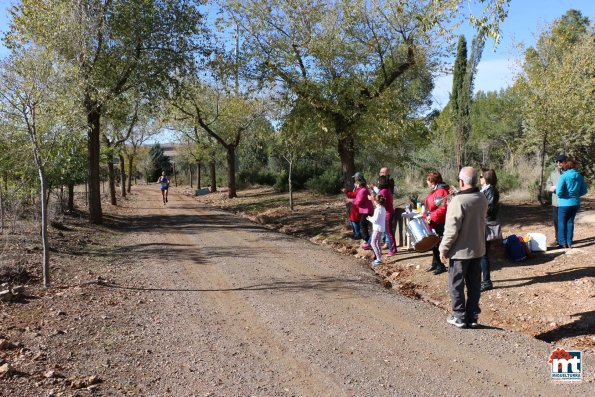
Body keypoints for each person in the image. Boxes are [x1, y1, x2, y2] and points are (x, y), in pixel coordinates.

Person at [439, 167, 488, 328]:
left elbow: (451, 230)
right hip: (478, 249)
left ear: (461, 182)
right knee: (474, 285)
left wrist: (443, 248)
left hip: (460, 252)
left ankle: (459, 316)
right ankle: (472, 316)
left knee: (456, 285)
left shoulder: (458, 201)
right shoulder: (481, 198)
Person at [556, 159, 588, 249]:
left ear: (567, 166)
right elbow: (584, 191)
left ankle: (563, 243)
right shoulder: (580, 176)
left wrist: (564, 195)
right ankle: (569, 242)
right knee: (570, 222)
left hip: (564, 203)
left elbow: (559, 192)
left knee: (562, 222)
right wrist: (576, 195)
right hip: (575, 203)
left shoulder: (564, 176)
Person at [423, 171, 449, 275]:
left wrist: (432, 216)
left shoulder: (441, 191)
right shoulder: (436, 190)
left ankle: (440, 266)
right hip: (434, 221)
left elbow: (443, 208)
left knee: (437, 244)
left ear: (432, 181)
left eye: (428, 180)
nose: (426, 182)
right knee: (434, 244)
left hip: (439, 222)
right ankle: (435, 263)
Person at [479, 169, 500, 292]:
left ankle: (486, 281)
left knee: (483, 253)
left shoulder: (491, 190)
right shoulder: (485, 190)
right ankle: (483, 279)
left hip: (486, 223)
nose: (480, 178)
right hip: (482, 222)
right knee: (481, 253)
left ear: (486, 178)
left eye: (481, 176)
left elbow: (490, 208)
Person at [546, 154, 567, 247]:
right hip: (555, 202)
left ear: (565, 162)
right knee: (556, 221)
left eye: (561, 161)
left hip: (565, 202)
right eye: (557, 161)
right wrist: (550, 187)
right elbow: (548, 184)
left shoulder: (568, 173)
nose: (559, 163)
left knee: (564, 222)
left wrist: (558, 188)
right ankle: (558, 240)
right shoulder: (553, 173)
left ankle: (565, 240)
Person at [352, 172, 374, 249]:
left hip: (366, 211)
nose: (354, 180)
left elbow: (358, 201)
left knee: (363, 226)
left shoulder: (363, 190)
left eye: (355, 179)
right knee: (365, 226)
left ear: (358, 180)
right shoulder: (363, 189)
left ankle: (369, 242)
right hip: (367, 210)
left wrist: (351, 200)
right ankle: (368, 241)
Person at [377, 175, 397, 256]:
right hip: (389, 213)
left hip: (387, 214)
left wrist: (372, 199)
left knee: (389, 233)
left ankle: (392, 250)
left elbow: (380, 203)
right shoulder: (386, 190)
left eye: (379, 181)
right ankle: (392, 249)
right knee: (388, 232)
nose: (378, 182)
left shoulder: (383, 191)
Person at [368, 193, 387, 266]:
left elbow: (375, 220)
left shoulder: (378, 209)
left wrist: (369, 218)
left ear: (377, 201)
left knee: (373, 243)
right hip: (381, 228)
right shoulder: (383, 208)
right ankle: (379, 258)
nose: (373, 202)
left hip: (377, 229)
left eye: (374, 200)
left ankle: (378, 259)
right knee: (377, 243)